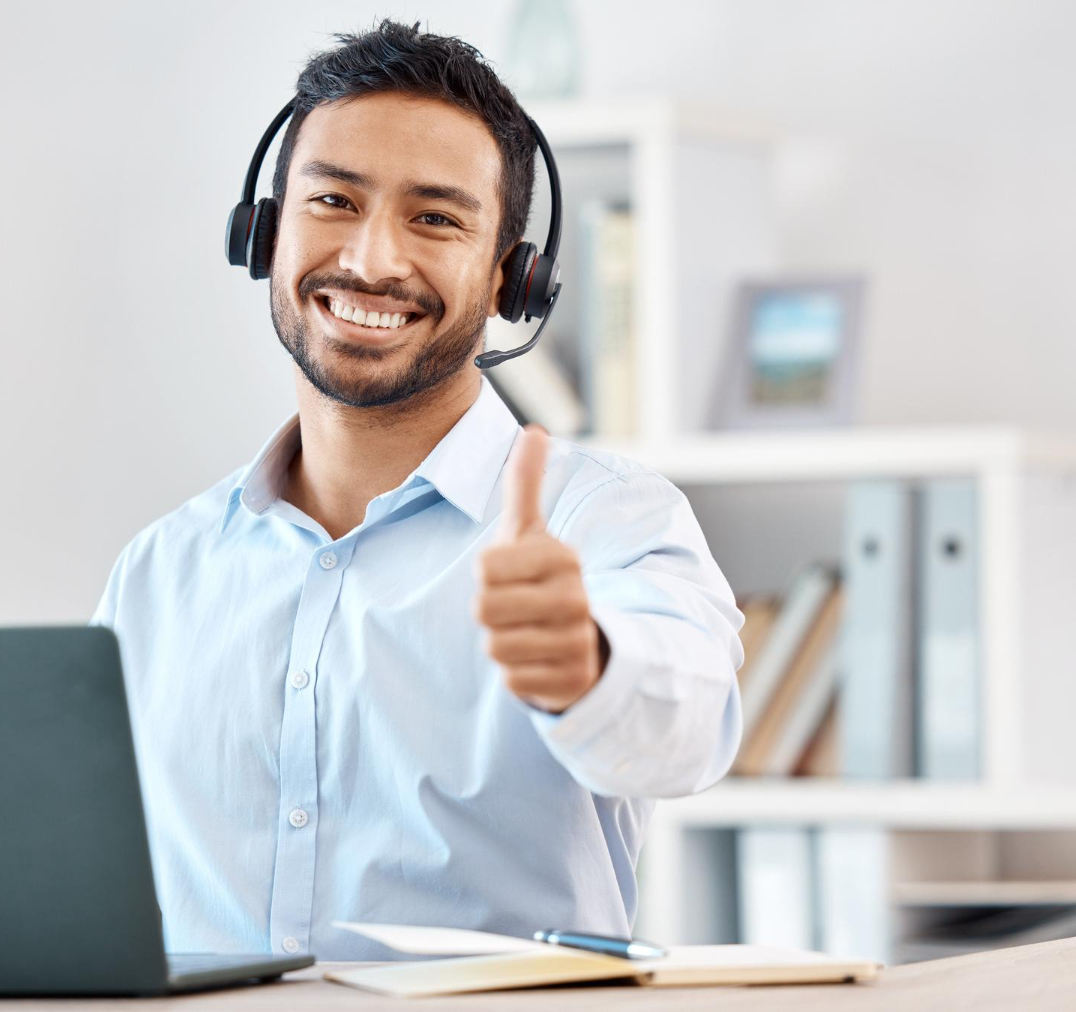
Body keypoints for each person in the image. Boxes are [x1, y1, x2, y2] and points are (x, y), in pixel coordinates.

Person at [92, 19, 743, 960]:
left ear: (512, 277)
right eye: (333, 200)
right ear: (264, 232)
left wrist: (587, 666)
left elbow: (687, 726)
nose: (372, 260)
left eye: (435, 218)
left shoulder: (600, 519)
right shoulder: (158, 574)